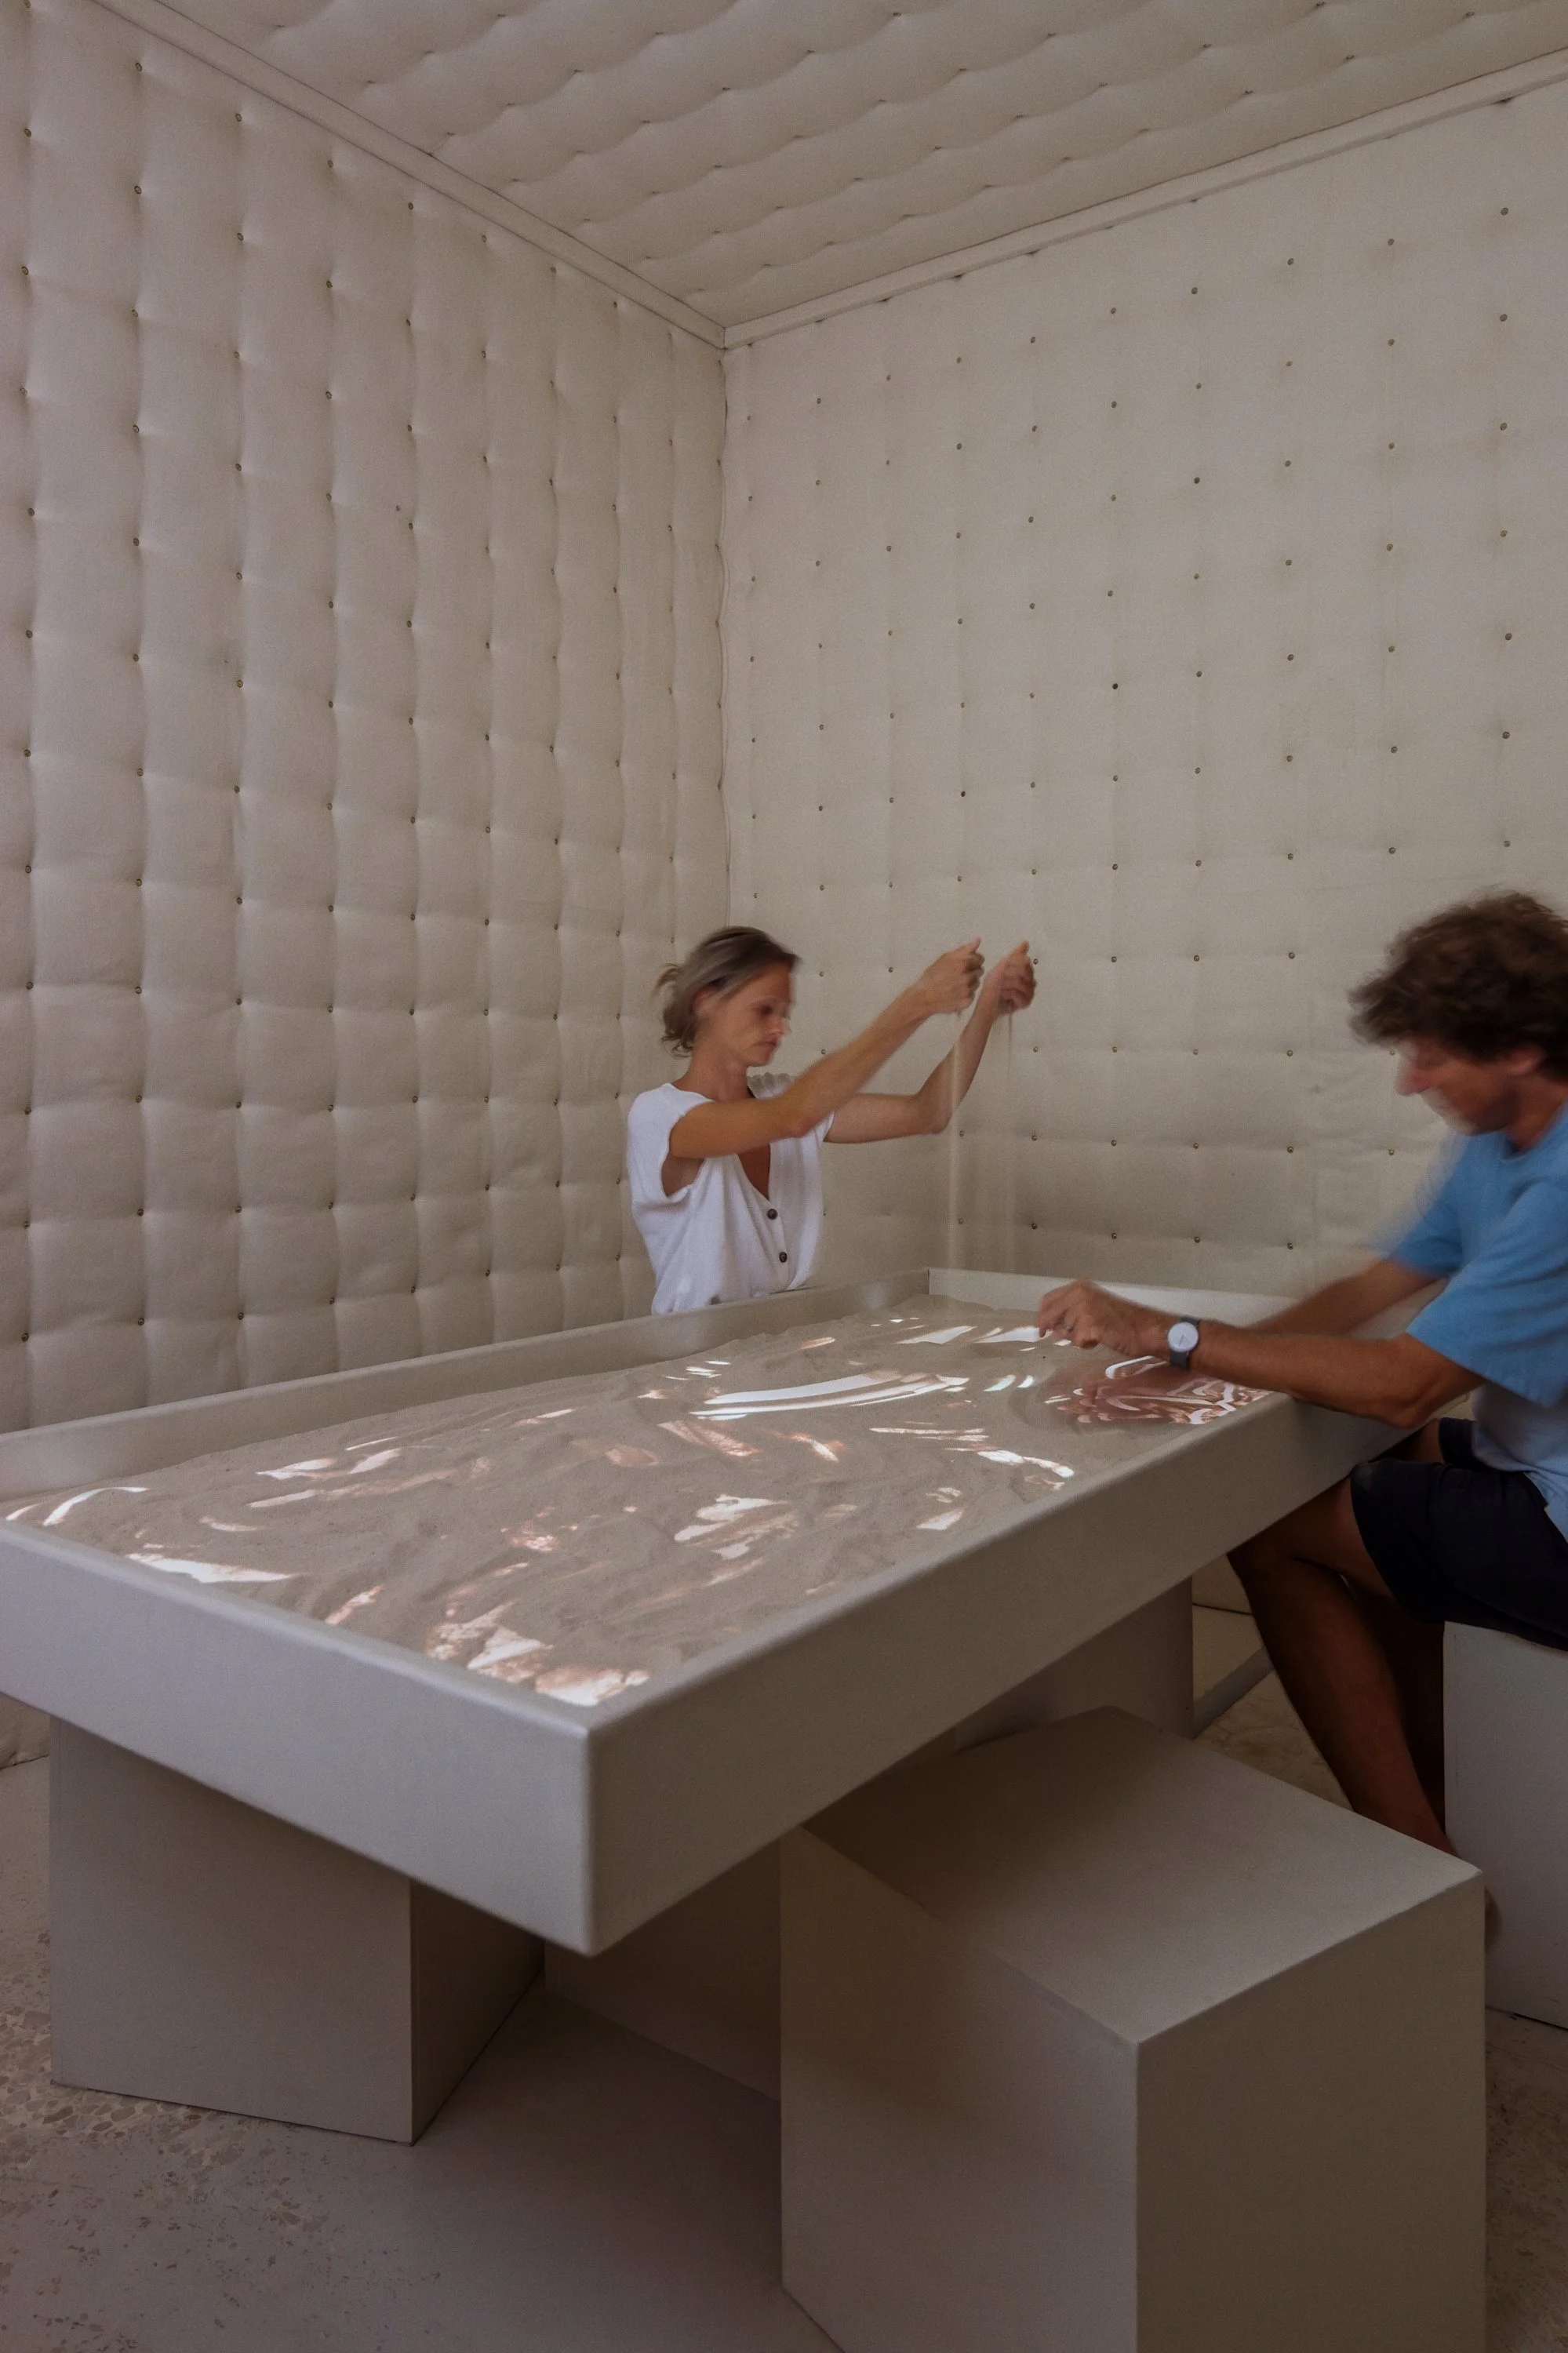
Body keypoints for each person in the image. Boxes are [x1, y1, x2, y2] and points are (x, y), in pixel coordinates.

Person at [1035, 890, 1568, 1858]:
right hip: (1528, 1461)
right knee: (1379, 1458)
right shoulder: (1497, 1139)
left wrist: (1169, 1332)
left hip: (1559, 1521)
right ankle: (1433, 1777)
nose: (1409, 1081)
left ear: (1521, 1050)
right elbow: (1369, 1289)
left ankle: (1413, 1856)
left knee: (1270, 1533)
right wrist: (1185, 1362)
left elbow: (1405, 1382)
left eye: (1431, 1056)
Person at [628, 925, 1035, 1317]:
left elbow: (928, 1112)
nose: (780, 1028)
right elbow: (795, 1116)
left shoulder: (780, 1096)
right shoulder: (659, 1116)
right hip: (694, 1357)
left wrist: (989, 1008)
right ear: (705, 1001)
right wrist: (919, 1000)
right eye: (765, 1009)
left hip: (780, 1344)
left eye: (784, 1013)